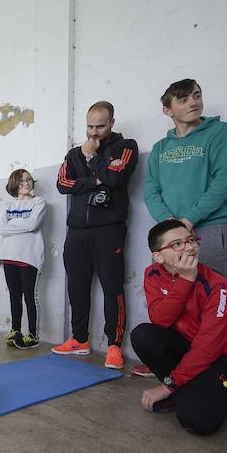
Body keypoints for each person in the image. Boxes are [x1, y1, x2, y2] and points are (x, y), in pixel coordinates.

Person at [130, 220, 227, 435]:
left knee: (196, 421)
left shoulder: (218, 286)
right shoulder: (153, 274)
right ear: (158, 256)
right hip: (192, 350)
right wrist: (185, 281)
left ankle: (188, 392)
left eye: (190, 240)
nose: (189, 247)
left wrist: (168, 385)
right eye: (177, 244)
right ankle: (186, 392)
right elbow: (160, 320)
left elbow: (208, 347)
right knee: (143, 335)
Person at [52, 102, 138, 370]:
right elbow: (62, 184)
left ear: (112, 123)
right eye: (90, 126)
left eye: (100, 126)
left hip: (108, 229)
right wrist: (95, 179)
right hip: (76, 231)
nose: (93, 133)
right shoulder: (74, 153)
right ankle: (79, 339)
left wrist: (95, 159)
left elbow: (116, 178)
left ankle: (114, 346)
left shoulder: (126, 147)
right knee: (76, 287)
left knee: (112, 288)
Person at [144, 78, 227, 275]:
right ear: (167, 110)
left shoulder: (222, 133)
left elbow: (224, 182)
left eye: (197, 96)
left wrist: (189, 221)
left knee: (210, 294)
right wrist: (171, 224)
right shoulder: (160, 148)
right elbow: (150, 190)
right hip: (168, 232)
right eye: (183, 99)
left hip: (207, 227)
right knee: (169, 295)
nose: (193, 102)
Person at [0, 169, 47, 349]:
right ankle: (15, 330)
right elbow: (2, 229)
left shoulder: (39, 202)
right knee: (14, 296)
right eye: (21, 181)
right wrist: (23, 226)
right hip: (8, 255)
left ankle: (33, 335)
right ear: (14, 185)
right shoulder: (7, 205)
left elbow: (33, 224)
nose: (26, 183)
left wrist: (13, 224)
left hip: (29, 256)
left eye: (28, 179)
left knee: (29, 297)